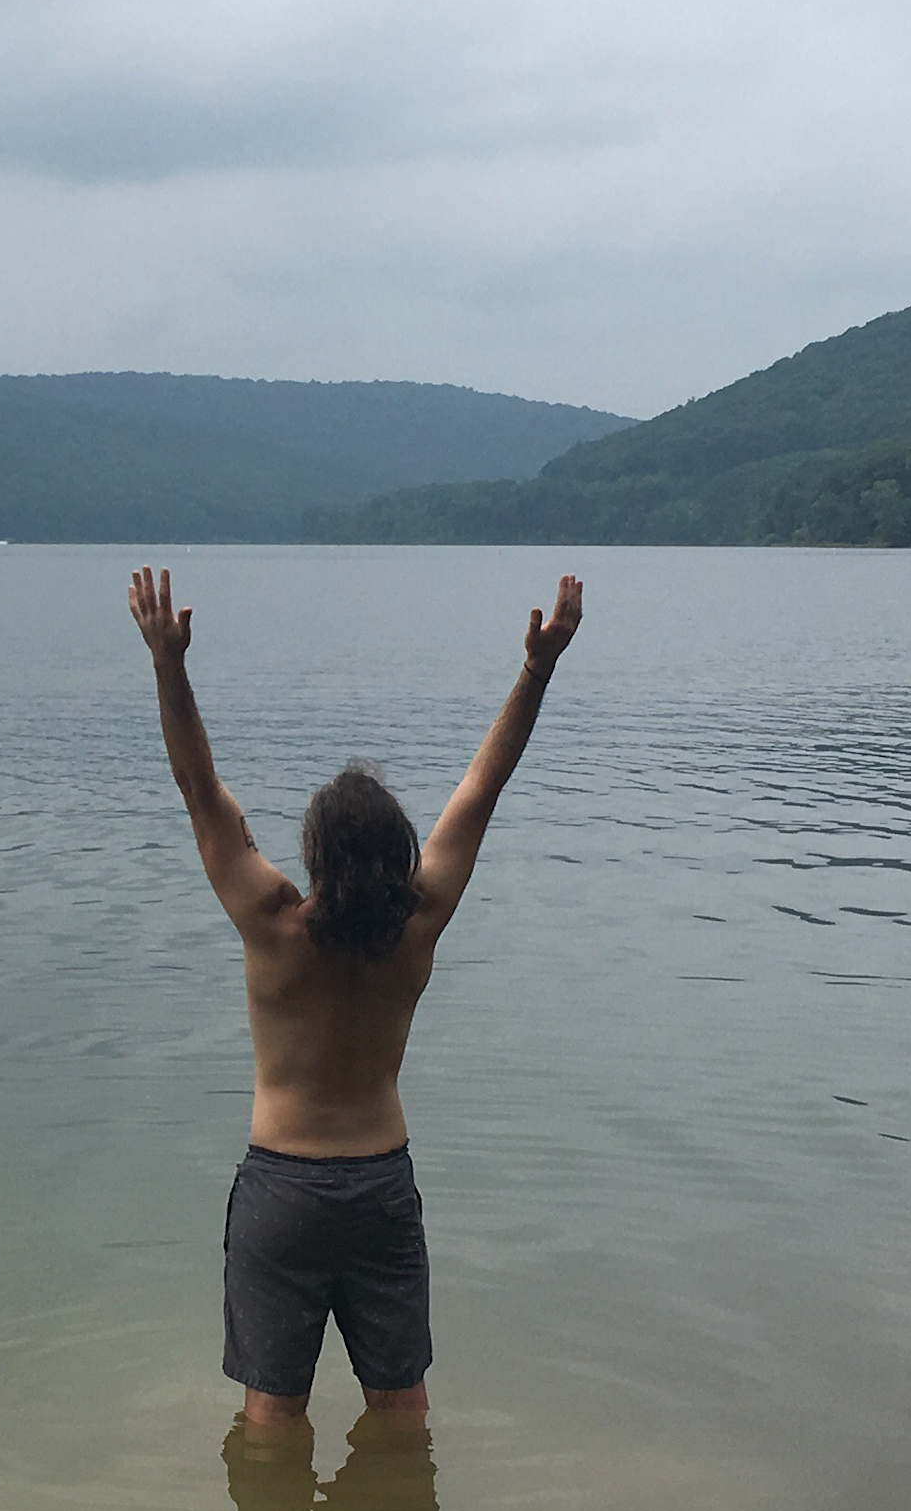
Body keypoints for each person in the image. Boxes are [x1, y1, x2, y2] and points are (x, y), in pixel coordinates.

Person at [127, 565, 584, 1432]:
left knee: (270, 1418)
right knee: (402, 1409)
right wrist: (537, 667)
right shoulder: (418, 926)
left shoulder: (273, 926)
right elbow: (481, 790)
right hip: (379, 1186)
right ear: (399, 852)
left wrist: (167, 663)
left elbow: (198, 789)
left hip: (282, 1190)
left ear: (314, 854)